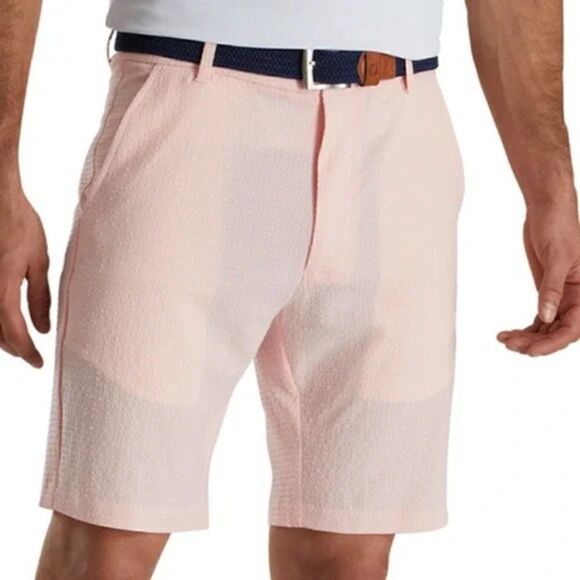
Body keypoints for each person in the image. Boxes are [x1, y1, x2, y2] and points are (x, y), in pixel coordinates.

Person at [1, 1, 579, 578]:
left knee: (349, 547)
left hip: (399, 137)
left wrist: (552, 189)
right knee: (111, 527)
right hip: (188, 109)